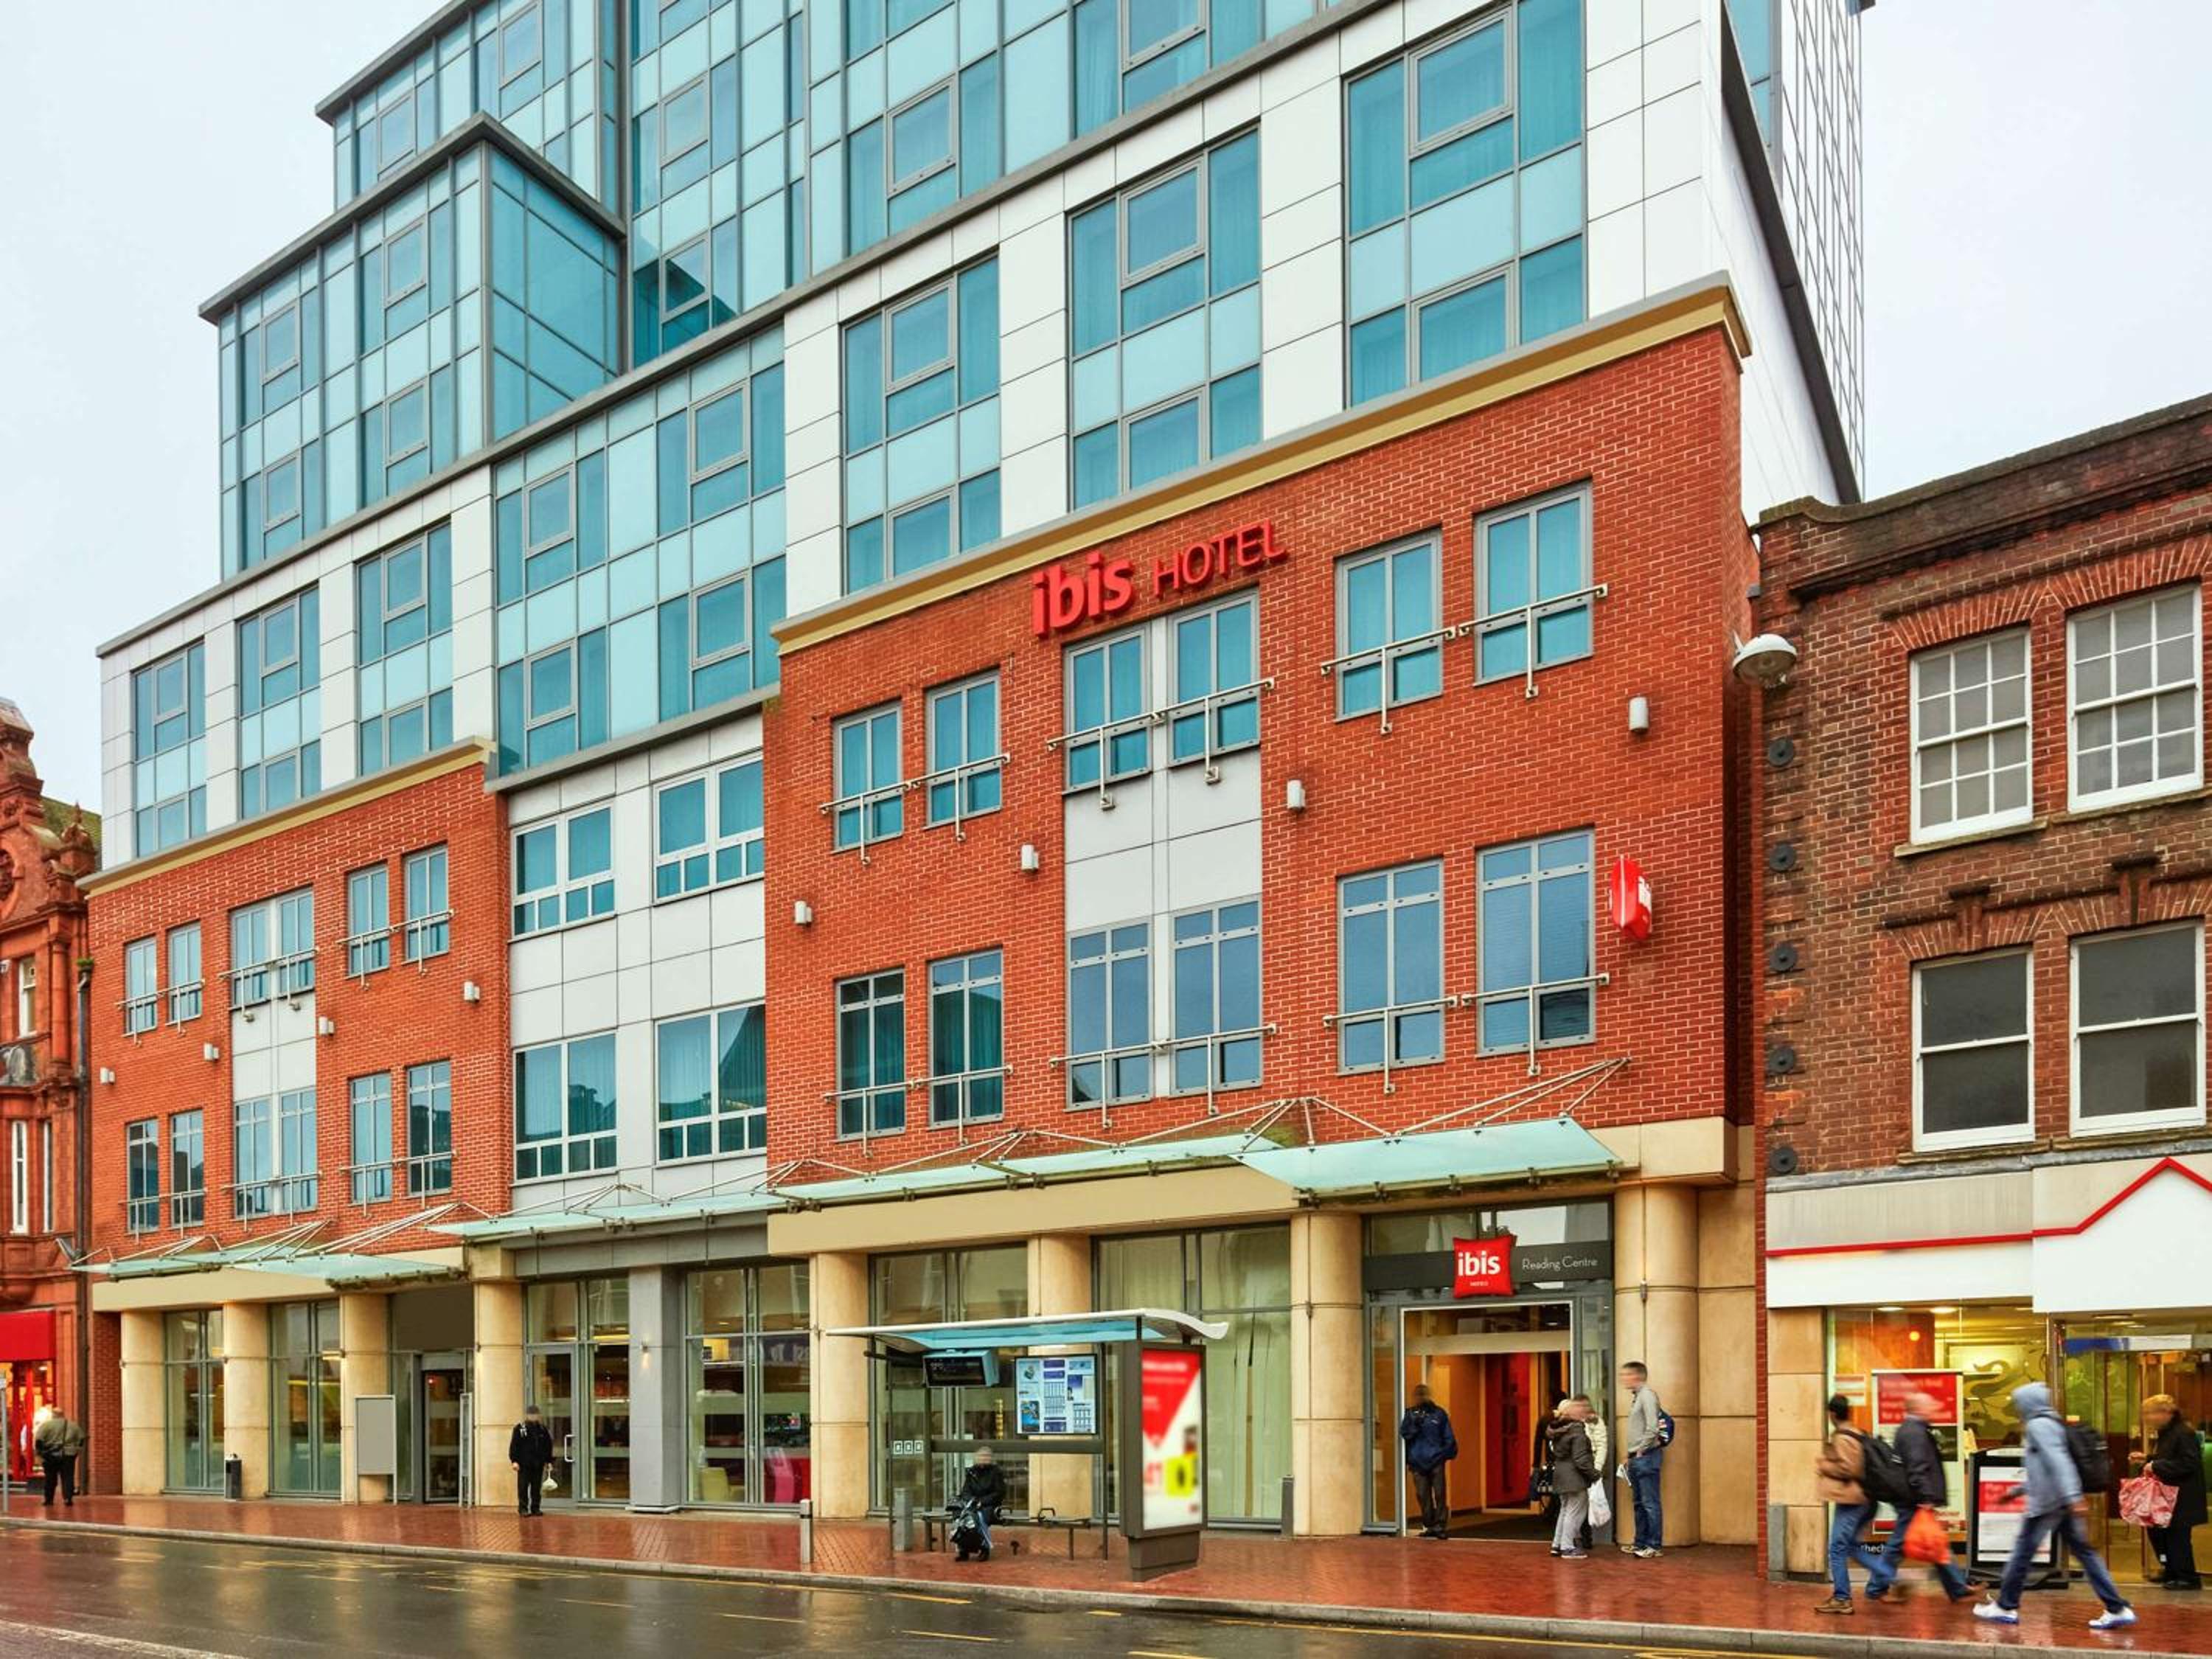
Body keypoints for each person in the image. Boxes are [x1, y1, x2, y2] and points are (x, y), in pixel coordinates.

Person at [1975, 1382, 2135, 1630]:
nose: (2017, 1409)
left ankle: (2006, 1606)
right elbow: (2044, 1469)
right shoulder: (2052, 1423)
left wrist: (2072, 1496)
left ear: (2027, 1404)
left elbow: (2058, 1461)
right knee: (2085, 1554)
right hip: (2059, 1501)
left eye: (2018, 1403)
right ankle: (2117, 1608)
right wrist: (2018, 1491)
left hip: (2048, 1504)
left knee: (2022, 1554)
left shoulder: (2038, 1426)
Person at [1869, 1388, 1973, 1604]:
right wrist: (1925, 1497)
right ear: (1918, 1408)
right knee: (1900, 1545)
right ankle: (1876, 1587)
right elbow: (1917, 1467)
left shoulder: (1914, 1429)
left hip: (1913, 1497)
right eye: (1929, 1404)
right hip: (1913, 1499)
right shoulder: (1914, 1431)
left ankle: (1958, 1588)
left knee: (1936, 1543)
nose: (1934, 1407)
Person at [1813, 1396, 1888, 1613]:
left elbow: (1849, 1469)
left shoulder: (1843, 1437)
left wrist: (1824, 1465)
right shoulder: (1858, 1433)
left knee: (1837, 1548)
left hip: (1851, 1500)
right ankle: (1887, 1575)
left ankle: (1842, 1598)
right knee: (1851, 1546)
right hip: (1863, 1499)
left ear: (1833, 1414)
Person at [2133, 1393, 2205, 1590]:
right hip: (2168, 1496)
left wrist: (2156, 1466)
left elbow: (2188, 1463)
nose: (2146, 1418)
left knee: (2177, 1538)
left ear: (2166, 1413)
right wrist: (2147, 1459)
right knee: (2160, 1535)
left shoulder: (2183, 1433)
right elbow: (2170, 1458)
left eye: (2150, 1413)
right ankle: (2171, 1570)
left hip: (2181, 1497)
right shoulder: (2168, 1433)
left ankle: (2187, 1577)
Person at [1399, 1382, 1458, 1540]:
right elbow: (1405, 1433)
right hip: (1417, 1463)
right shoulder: (1410, 1415)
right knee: (1422, 1495)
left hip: (1436, 1460)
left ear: (1427, 1395)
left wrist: (1443, 1454)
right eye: (1418, 1395)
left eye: (1422, 1394)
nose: (1420, 1398)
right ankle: (1430, 1524)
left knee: (1439, 1494)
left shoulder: (1439, 1414)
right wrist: (1415, 1424)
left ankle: (1440, 1525)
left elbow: (1449, 1437)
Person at [1619, 1361, 1665, 1557]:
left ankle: (1654, 1546)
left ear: (1637, 1376)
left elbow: (1653, 1427)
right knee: (1639, 1503)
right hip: (1638, 1458)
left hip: (1646, 1457)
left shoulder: (1647, 1395)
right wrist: (1630, 1455)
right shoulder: (1638, 1397)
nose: (1623, 1379)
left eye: (1626, 1375)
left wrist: (1640, 1450)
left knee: (1650, 1503)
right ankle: (1640, 1543)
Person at [1547, 1397, 1599, 1559]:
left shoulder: (1560, 1430)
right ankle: (1567, 1547)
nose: (1584, 1412)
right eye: (1581, 1409)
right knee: (1574, 1512)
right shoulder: (1577, 1432)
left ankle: (1557, 1545)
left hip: (1561, 1475)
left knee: (1565, 1510)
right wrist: (1594, 1474)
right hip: (1574, 1478)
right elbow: (1581, 1460)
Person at [953, 1445, 1008, 1562]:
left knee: (979, 1517)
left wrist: (981, 1502)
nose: (984, 1458)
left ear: (991, 1458)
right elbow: (965, 1491)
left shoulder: (996, 1472)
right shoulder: (971, 1471)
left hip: (990, 1506)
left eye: (987, 1456)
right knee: (960, 1517)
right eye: (981, 1456)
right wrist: (971, 1501)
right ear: (976, 1458)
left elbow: (999, 1492)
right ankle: (963, 1550)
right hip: (972, 1504)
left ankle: (984, 1549)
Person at [508, 1405, 554, 1517]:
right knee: (523, 1487)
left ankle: (535, 1508)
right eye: (531, 1414)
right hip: (524, 1464)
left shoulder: (542, 1429)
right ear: (527, 1415)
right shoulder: (520, 1429)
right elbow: (514, 1445)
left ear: (538, 1416)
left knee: (536, 1488)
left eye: (535, 1414)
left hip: (538, 1464)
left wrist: (549, 1461)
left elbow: (548, 1446)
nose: (533, 1416)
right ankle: (523, 1509)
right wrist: (514, 1461)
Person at [33, 1406, 83, 1508]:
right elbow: (81, 1438)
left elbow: (39, 1440)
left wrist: (40, 1453)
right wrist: (77, 1449)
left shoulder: (46, 1425)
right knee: (68, 1477)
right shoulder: (73, 1425)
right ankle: (68, 1498)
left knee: (50, 1478)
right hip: (68, 1454)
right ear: (63, 1415)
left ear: (53, 1415)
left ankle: (49, 1499)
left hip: (51, 1455)